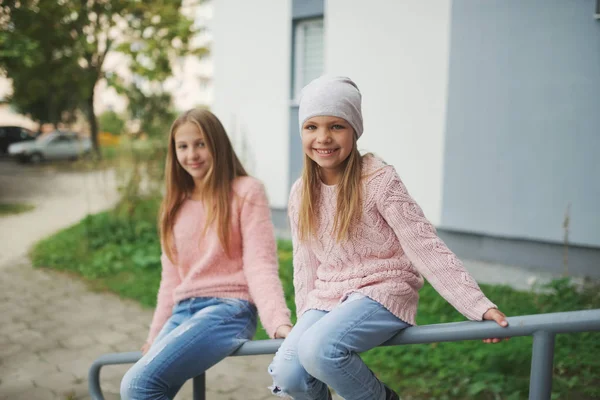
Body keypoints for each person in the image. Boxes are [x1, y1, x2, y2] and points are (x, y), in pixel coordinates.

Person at [267, 76, 508, 400]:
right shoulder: (301, 193)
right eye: (312, 127)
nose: (323, 138)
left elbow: (425, 246)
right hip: (329, 295)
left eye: (336, 126)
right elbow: (304, 264)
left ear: (354, 129)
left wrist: (477, 306)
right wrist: (302, 324)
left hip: (384, 288)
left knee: (320, 349)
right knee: (288, 371)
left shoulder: (379, 179)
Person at [121, 108, 293, 399]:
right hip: (183, 312)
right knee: (143, 387)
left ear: (217, 144)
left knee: (136, 385)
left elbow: (259, 263)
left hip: (229, 309)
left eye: (200, 143)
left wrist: (278, 321)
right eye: (183, 146)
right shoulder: (173, 204)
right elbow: (171, 280)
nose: (192, 155)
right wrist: (154, 336)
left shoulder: (246, 191)